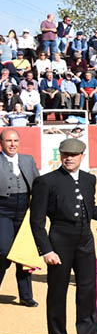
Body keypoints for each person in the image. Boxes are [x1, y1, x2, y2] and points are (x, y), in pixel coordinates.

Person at [30, 137, 97, 334]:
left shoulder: (89, 179)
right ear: (60, 155)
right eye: (65, 154)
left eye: (73, 155)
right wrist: (46, 250)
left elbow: (90, 209)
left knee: (87, 295)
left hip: (85, 243)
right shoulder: (46, 181)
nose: (69, 158)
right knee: (57, 296)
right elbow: (36, 221)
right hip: (59, 243)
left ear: (82, 156)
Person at [0, 128, 40, 306]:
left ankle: (26, 295)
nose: (12, 144)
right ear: (1, 143)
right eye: (8, 141)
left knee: (24, 253)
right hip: (2, 210)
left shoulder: (27, 160)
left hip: (25, 210)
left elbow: (38, 184)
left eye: (15, 141)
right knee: (3, 251)